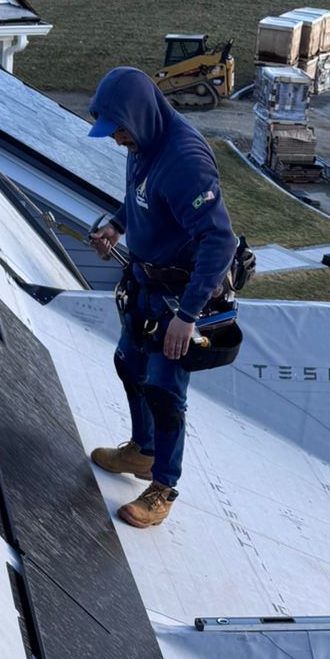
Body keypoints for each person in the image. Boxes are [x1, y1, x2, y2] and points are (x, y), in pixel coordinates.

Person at [84, 67, 237, 529]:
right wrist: (117, 223)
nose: (116, 140)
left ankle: (164, 488)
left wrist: (187, 316)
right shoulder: (143, 142)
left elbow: (220, 242)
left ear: (138, 116)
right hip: (146, 285)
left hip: (181, 297)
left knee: (166, 391)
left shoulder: (185, 159)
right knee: (129, 364)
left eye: (119, 130)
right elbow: (141, 199)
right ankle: (143, 452)